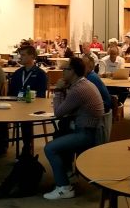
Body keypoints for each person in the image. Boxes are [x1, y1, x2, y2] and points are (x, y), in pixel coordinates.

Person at [43, 57, 105, 200]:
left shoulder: (79, 89)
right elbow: (67, 108)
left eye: (65, 69)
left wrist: (58, 90)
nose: (62, 72)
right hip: (90, 129)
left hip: (86, 133)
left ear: (74, 71)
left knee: (50, 148)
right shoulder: (82, 84)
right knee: (59, 134)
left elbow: (58, 113)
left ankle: (64, 187)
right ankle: (68, 174)